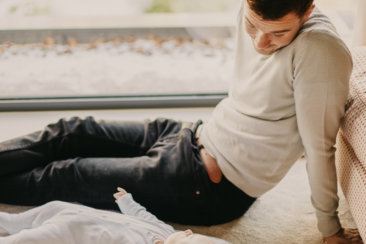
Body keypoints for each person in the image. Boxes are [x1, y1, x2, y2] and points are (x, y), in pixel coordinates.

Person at [0, 0, 362, 243]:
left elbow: (320, 147)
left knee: (65, 174)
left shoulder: (321, 51)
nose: (261, 43)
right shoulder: (253, 10)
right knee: (71, 129)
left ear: (309, 10)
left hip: (205, 183)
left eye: (279, 34)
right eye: (254, 26)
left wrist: (328, 228)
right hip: (188, 134)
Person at [0, 187, 227, 244]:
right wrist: (127, 201)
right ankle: (9, 221)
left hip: (72, 232)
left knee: (30, 239)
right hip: (75, 212)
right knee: (49, 208)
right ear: (185, 233)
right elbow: (145, 216)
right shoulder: (165, 231)